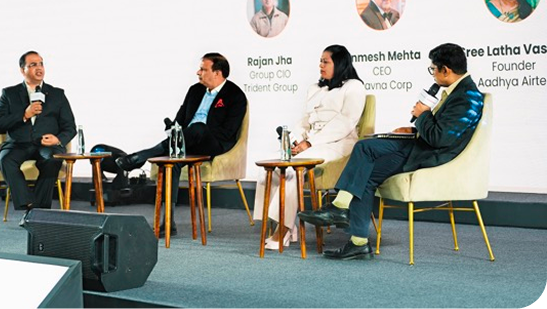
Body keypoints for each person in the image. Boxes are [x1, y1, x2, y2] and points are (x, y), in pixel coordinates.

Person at [298, 43, 484, 260]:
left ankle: (340, 207)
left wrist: (423, 115)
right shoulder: (457, 91)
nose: (432, 73)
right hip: (420, 144)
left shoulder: (468, 96)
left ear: (446, 70)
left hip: (432, 154)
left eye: (433, 69)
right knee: (366, 165)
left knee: (364, 147)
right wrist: (413, 129)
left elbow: (440, 139)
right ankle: (358, 243)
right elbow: (443, 130)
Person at [116, 52, 247, 236]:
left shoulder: (235, 95)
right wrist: (174, 129)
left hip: (214, 144)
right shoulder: (195, 90)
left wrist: (193, 134)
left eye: (203, 69)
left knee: (198, 129)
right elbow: (180, 120)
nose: (198, 72)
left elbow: (228, 132)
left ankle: (143, 156)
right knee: (172, 163)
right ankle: (168, 222)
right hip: (187, 143)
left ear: (217, 73)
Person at [253, 45, 366, 250]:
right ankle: (277, 223)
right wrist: (296, 140)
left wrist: (310, 143)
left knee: (292, 170)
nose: (320, 65)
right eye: (320, 61)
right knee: (270, 168)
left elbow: (346, 122)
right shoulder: (315, 88)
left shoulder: (354, 87)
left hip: (339, 144)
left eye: (326, 61)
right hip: (312, 143)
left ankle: (284, 229)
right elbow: (305, 121)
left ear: (339, 63)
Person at [0, 51, 76, 212]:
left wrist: (58, 140)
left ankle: (36, 211)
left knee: (52, 160)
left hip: (47, 145)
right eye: (33, 64)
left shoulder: (57, 94)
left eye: (41, 64)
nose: (39, 68)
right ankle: (31, 206)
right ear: (23, 70)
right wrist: (24, 115)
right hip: (18, 144)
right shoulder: (9, 94)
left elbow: (70, 127)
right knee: (6, 160)